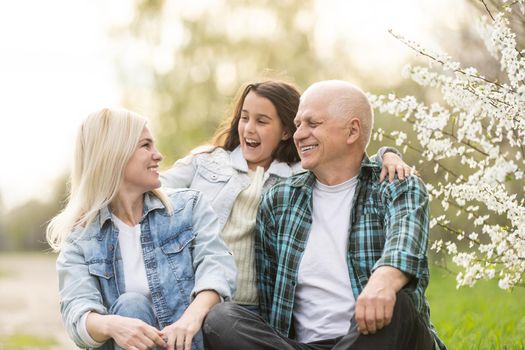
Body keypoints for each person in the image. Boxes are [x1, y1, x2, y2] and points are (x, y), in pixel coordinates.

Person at [203, 80, 447, 350]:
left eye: (313, 124)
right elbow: (271, 298)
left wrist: (384, 282)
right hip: (306, 346)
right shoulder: (279, 200)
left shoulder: (396, 184)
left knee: (398, 303)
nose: (299, 134)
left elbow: (405, 246)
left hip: (377, 336)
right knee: (220, 319)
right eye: (297, 125)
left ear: (352, 131)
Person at [161, 80, 412, 313]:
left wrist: (387, 155)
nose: (248, 128)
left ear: (284, 131)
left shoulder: (298, 174)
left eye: (261, 121)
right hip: (198, 295)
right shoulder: (206, 162)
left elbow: (346, 155)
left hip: (255, 308)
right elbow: (155, 186)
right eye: (244, 118)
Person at [46, 108, 236, 350]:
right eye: (146, 145)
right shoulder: (81, 239)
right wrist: (113, 325)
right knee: (130, 306)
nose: (158, 155)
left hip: (191, 344)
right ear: (115, 154)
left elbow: (217, 267)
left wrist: (191, 318)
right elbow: (77, 313)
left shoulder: (189, 207)